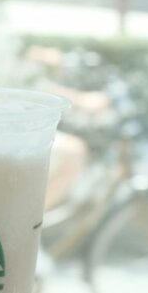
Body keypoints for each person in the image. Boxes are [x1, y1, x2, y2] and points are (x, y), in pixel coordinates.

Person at [26, 46, 111, 210]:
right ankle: (34, 215)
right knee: (74, 152)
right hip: (20, 132)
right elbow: (48, 92)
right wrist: (83, 100)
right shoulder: (27, 69)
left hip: (27, 129)